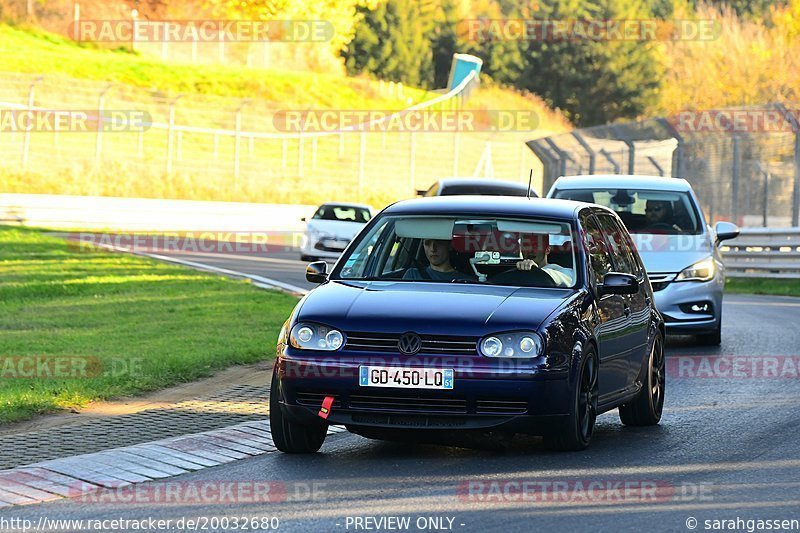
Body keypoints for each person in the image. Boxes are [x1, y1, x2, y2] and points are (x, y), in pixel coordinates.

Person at [403, 239, 475, 281]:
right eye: (427, 243)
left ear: (450, 246)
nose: (433, 249)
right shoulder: (412, 275)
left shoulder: (467, 281)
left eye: (439, 242)